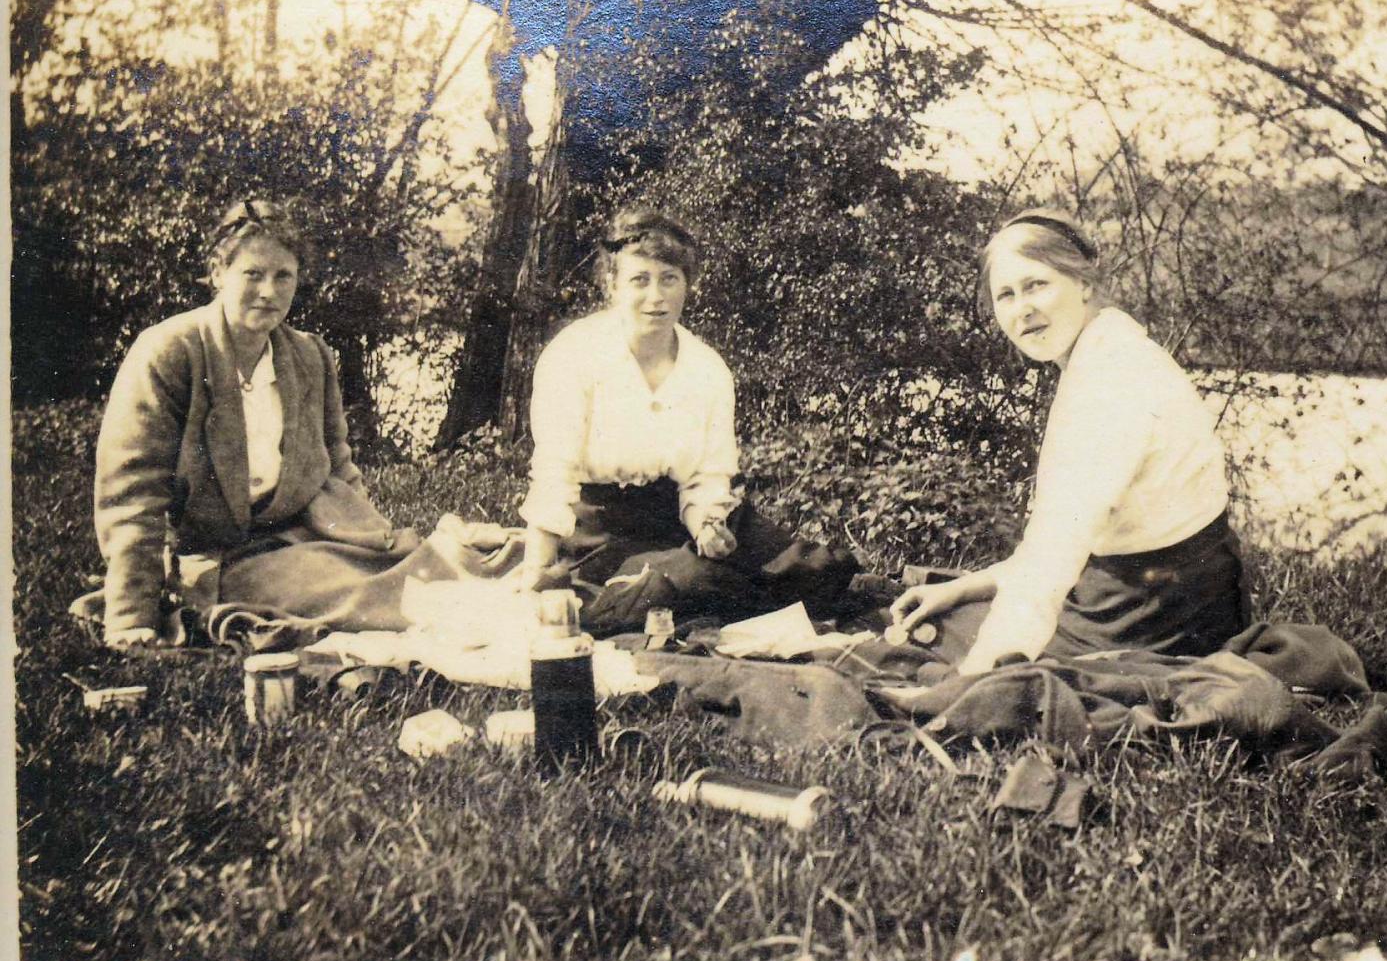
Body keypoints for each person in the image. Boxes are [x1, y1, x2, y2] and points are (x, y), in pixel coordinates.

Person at [889, 207, 1250, 676]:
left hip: (1155, 620)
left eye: (1037, 285)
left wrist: (976, 676)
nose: (1023, 310)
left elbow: (1056, 552)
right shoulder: (1109, 347)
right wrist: (965, 586)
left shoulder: (1110, 380)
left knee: (930, 640)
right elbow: (1070, 542)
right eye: (1006, 295)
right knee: (948, 608)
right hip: (1192, 598)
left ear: (1082, 283)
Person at [93, 199, 466, 647]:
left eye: (283, 276)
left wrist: (368, 541)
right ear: (218, 274)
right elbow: (134, 493)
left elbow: (338, 466)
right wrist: (131, 618)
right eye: (252, 274)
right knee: (373, 597)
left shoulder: (309, 356)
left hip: (302, 537)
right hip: (219, 557)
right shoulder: (169, 353)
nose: (268, 291)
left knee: (435, 564)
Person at [518, 204, 858, 629]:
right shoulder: (575, 354)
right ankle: (667, 592)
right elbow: (554, 472)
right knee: (693, 587)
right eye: (639, 280)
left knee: (822, 572)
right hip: (601, 534)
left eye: (669, 279)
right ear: (613, 285)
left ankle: (732, 589)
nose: (656, 297)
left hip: (675, 519)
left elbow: (707, 476)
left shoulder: (707, 369)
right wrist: (538, 570)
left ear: (687, 285)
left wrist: (707, 526)